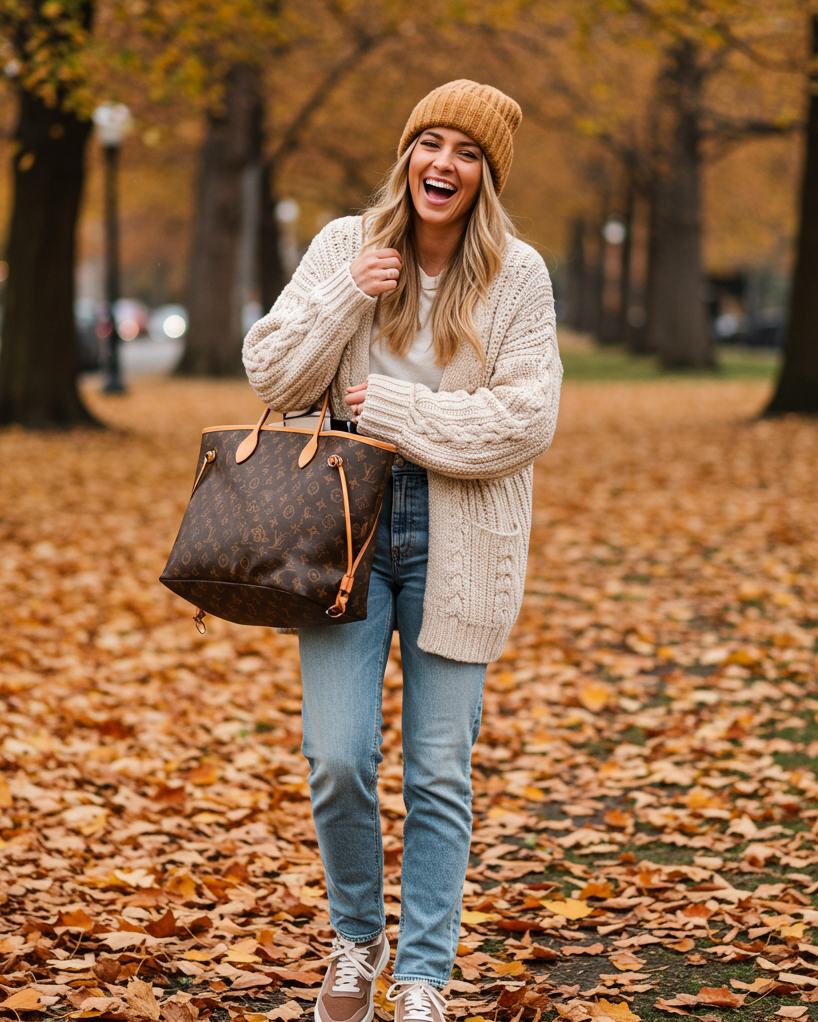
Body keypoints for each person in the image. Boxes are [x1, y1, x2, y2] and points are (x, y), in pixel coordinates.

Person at [243, 79, 562, 1022]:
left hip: (462, 532)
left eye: (467, 152)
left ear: (486, 176)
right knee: (338, 756)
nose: (444, 164)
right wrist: (347, 295)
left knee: (438, 771)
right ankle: (357, 942)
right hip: (344, 522)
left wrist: (399, 411)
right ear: (407, 153)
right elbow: (272, 374)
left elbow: (527, 419)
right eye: (431, 142)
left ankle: (422, 973)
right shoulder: (345, 244)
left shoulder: (518, 275)